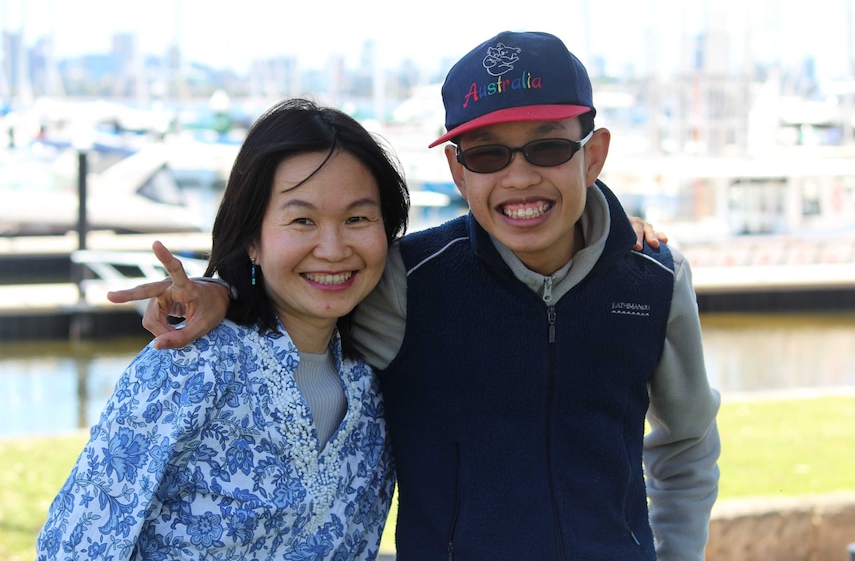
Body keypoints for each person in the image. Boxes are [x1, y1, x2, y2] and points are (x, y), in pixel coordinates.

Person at [111, 31, 720, 560]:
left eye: (548, 147)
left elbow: (688, 439)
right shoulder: (408, 279)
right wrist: (222, 290)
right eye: (487, 154)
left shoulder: (655, 277)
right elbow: (304, 298)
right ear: (457, 172)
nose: (519, 176)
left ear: (594, 156)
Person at [36, 98, 411, 561]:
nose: (333, 249)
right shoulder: (191, 366)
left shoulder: (373, 382)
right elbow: (73, 546)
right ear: (252, 239)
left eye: (357, 218)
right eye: (302, 220)